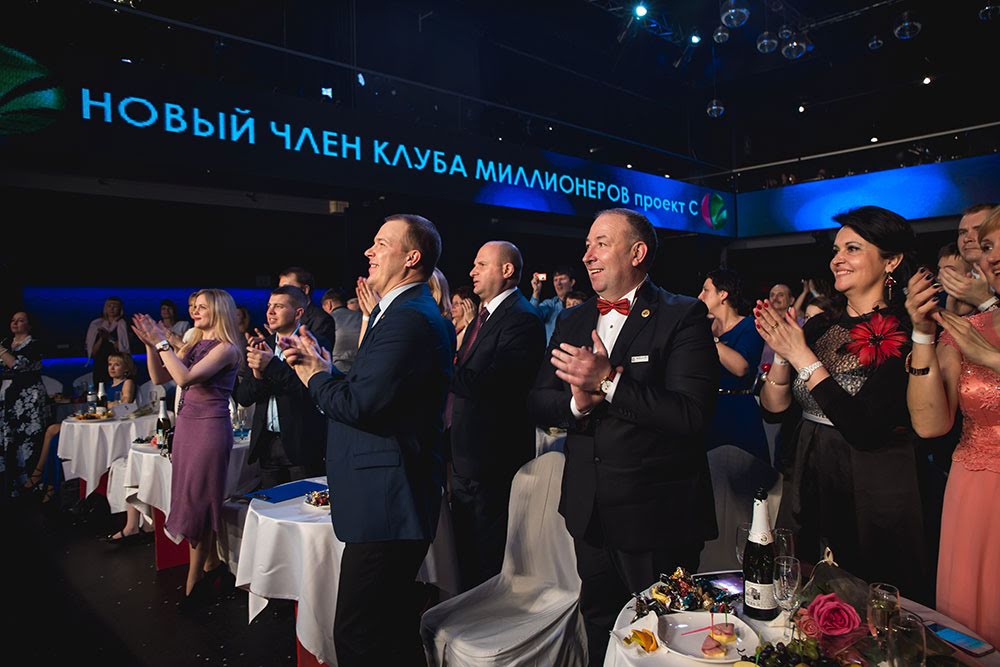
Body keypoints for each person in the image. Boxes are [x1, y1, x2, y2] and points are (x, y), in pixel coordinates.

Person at [528, 208, 718, 666]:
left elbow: (691, 415)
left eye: (601, 243)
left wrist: (609, 382)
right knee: (600, 628)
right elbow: (537, 400)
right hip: (590, 513)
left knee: (662, 642)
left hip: (657, 517)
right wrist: (577, 405)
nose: (587, 255)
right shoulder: (573, 321)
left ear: (637, 253)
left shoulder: (683, 314)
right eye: (587, 245)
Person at [282, 214, 454, 666]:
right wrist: (328, 370)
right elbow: (374, 392)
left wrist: (314, 375)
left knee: (359, 635)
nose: (368, 251)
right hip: (386, 497)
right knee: (388, 629)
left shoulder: (408, 318)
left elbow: (360, 405)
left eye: (380, 243)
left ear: (411, 257)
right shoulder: (398, 313)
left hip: (388, 503)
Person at [757, 206, 926, 598]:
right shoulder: (820, 325)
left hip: (872, 478)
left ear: (891, 261)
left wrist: (801, 356)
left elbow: (864, 429)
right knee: (804, 588)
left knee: (867, 595)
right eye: (836, 250)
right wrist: (782, 352)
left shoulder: (904, 330)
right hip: (810, 467)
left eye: (852, 249)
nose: (837, 260)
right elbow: (774, 408)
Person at [905, 205, 1000, 647]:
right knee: (970, 626)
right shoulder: (969, 328)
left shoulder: (982, 340)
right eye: (988, 246)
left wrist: (993, 359)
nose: (993, 256)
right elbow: (931, 424)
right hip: (972, 488)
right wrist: (923, 333)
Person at [132, 289, 241, 608]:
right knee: (189, 498)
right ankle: (212, 566)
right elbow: (159, 377)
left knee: (199, 502)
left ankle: (195, 583)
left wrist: (162, 342)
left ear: (219, 310)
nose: (195, 311)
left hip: (209, 430)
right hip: (187, 428)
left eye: (202, 307)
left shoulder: (227, 349)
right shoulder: (194, 343)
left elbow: (185, 378)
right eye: (194, 306)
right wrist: (151, 345)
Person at [450, 241, 545, 590]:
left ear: (507, 270)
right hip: (467, 455)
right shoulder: (484, 316)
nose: (472, 271)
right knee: (468, 552)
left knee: (488, 556)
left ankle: (485, 616)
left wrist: (438, 365)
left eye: (480, 264)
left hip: (491, 458)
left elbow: (496, 386)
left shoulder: (521, 318)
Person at [234, 285, 328, 488]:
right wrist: (258, 375)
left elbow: (308, 390)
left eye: (279, 306)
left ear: (298, 313)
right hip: (267, 444)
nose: (270, 312)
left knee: (303, 503)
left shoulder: (312, 344)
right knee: (270, 504)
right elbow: (243, 397)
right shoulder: (262, 344)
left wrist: (270, 366)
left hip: (302, 444)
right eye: (269, 306)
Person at [697, 268, 768, 462]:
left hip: (738, 411)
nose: (700, 296)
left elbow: (741, 367)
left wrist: (711, 339)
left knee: (743, 470)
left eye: (706, 290)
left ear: (723, 294)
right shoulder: (704, 326)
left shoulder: (750, 326)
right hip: (708, 410)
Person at [1, 311, 49, 499]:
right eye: (13, 320)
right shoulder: (6, 343)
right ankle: (11, 485)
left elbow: (18, 365)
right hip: (7, 396)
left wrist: (1, 351)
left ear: (29, 325)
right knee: (9, 438)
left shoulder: (34, 345)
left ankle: (33, 482)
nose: (15, 323)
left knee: (29, 438)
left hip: (28, 397)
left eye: (20, 320)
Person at [938, 203, 998, 314]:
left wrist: (984, 300)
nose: (967, 239)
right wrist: (957, 317)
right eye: (962, 232)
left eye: (978, 229)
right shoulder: (945, 295)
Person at [278, 266, 338, 346]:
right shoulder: (283, 316)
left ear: (305, 290)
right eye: (280, 288)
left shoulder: (322, 320)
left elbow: (316, 349)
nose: (281, 293)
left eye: (287, 288)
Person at [85, 296, 130, 387]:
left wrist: (109, 338)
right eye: (109, 306)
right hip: (100, 364)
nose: (112, 309)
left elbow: (123, 348)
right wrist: (102, 338)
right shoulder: (96, 324)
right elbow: (93, 352)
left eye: (115, 306)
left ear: (120, 309)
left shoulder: (123, 324)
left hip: (118, 364)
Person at [320, 288, 362, 373]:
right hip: (361, 369)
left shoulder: (327, 320)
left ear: (329, 304)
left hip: (336, 371)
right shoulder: (361, 317)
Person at [530, 266, 577, 342]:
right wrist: (536, 292)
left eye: (562, 279)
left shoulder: (581, 302)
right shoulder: (549, 305)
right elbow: (531, 317)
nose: (558, 283)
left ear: (572, 282)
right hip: (552, 349)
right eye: (555, 280)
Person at [936, 242, 978, 316]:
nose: (939, 277)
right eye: (939, 270)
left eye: (949, 271)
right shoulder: (936, 304)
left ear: (973, 276)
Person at [449, 285, 480, 352]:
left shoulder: (470, 329)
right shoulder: (450, 325)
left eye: (457, 303)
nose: (453, 307)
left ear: (468, 305)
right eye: (452, 303)